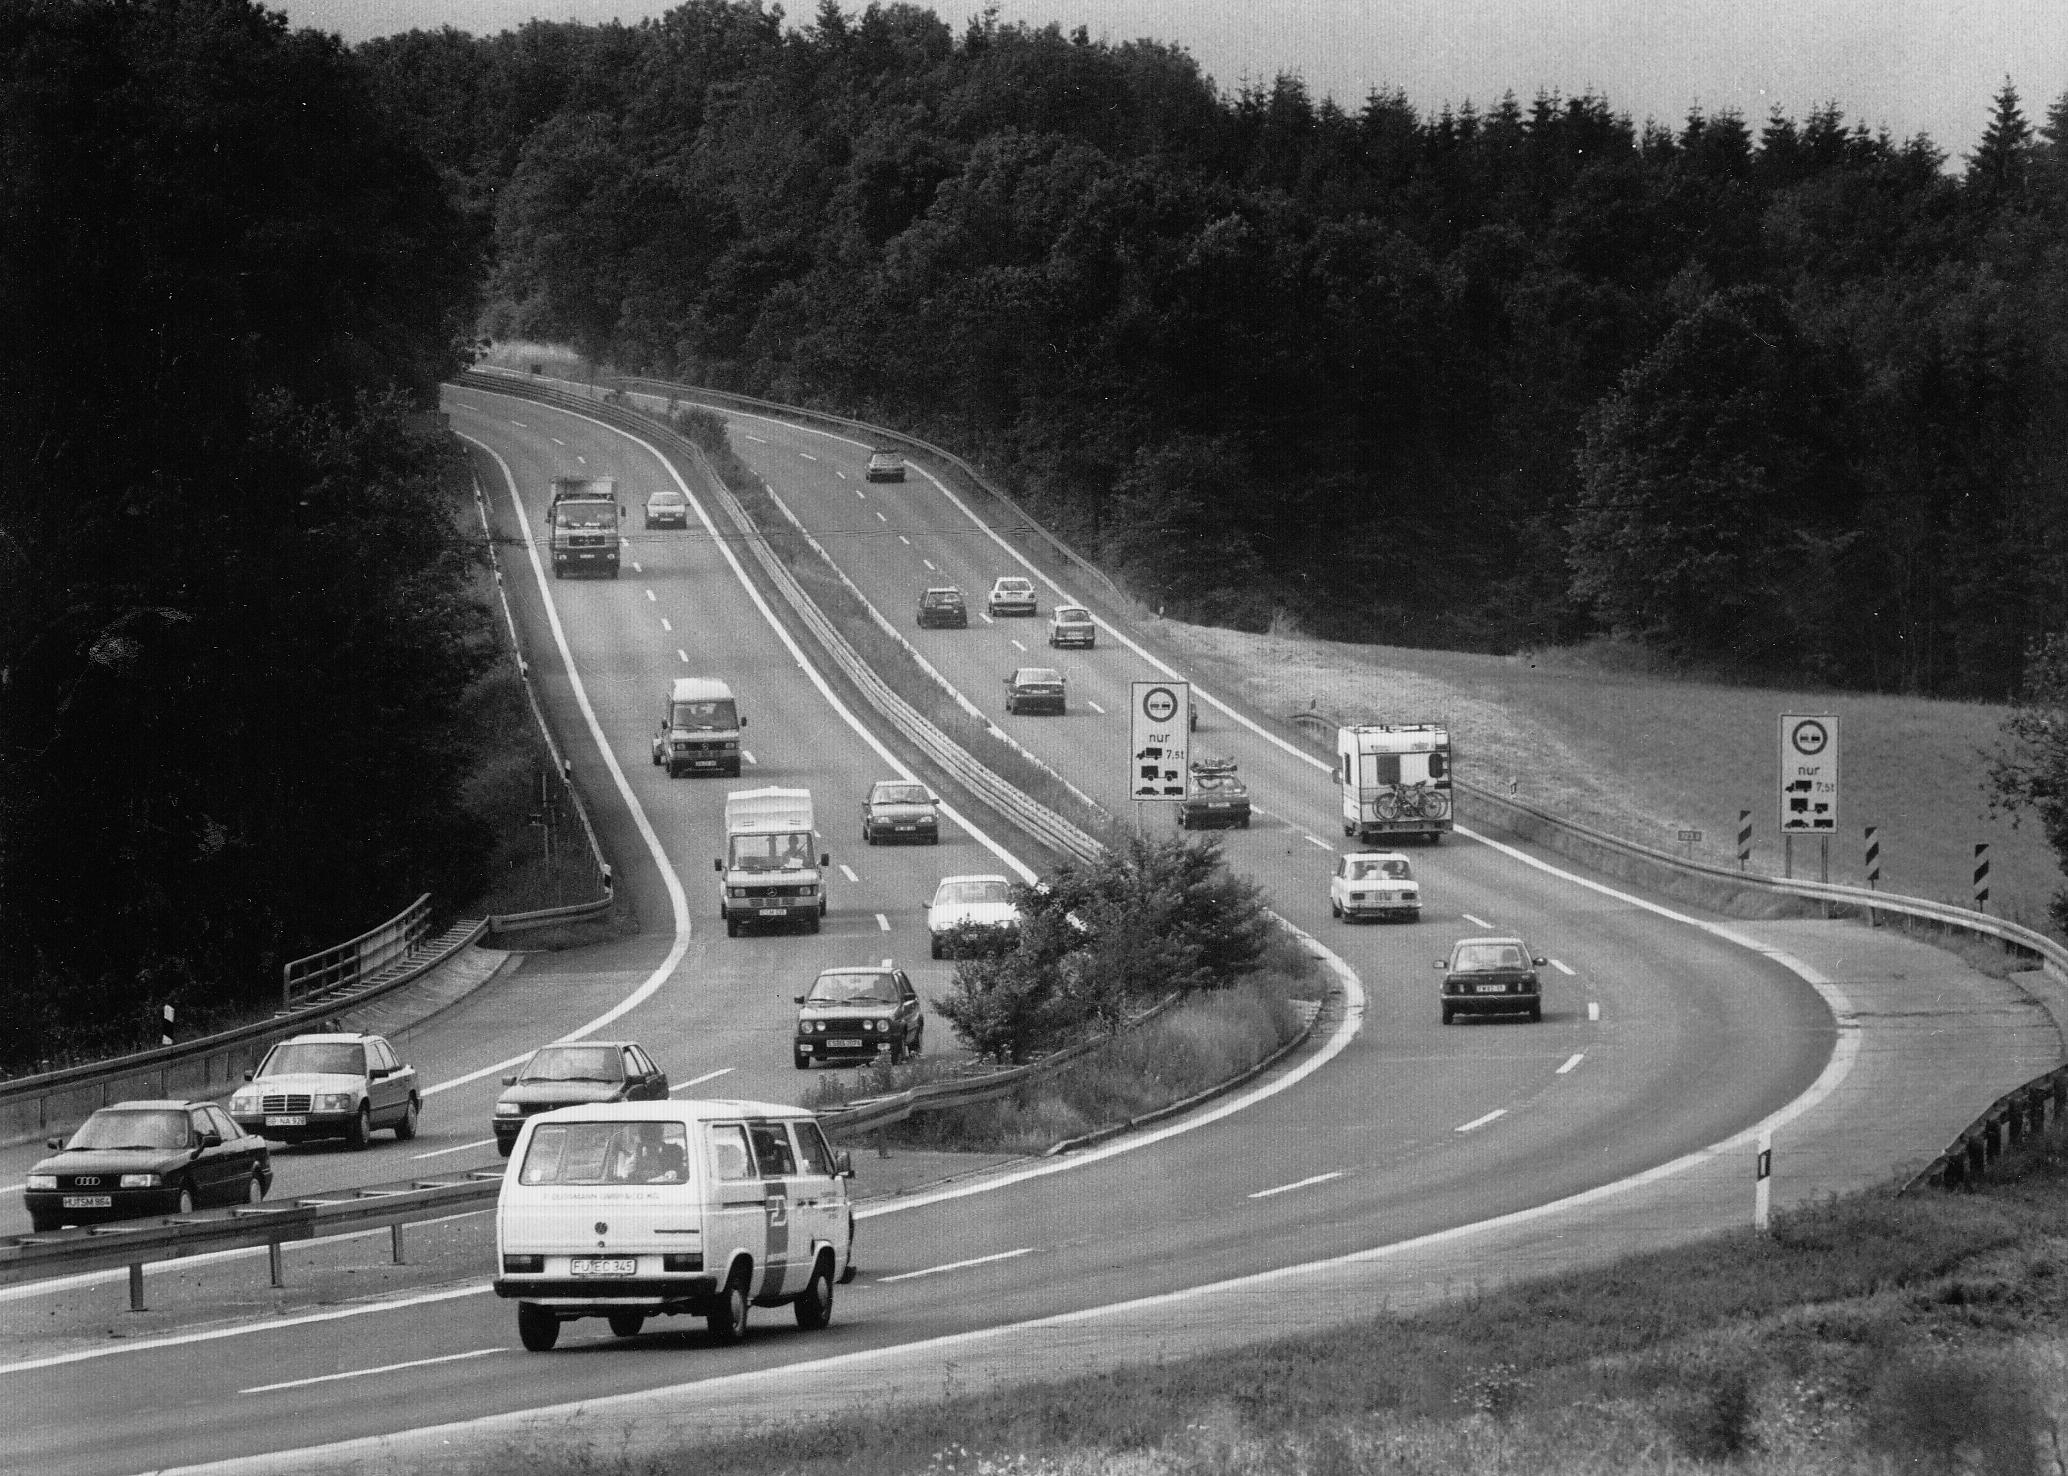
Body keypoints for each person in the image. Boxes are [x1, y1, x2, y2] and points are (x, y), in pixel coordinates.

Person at [611, 1122, 684, 1183]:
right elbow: (626, 1172)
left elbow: (682, 1171)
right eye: (646, 1140)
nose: (650, 1144)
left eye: (653, 1138)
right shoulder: (639, 1152)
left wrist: (674, 1173)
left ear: (660, 1136)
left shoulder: (674, 1150)